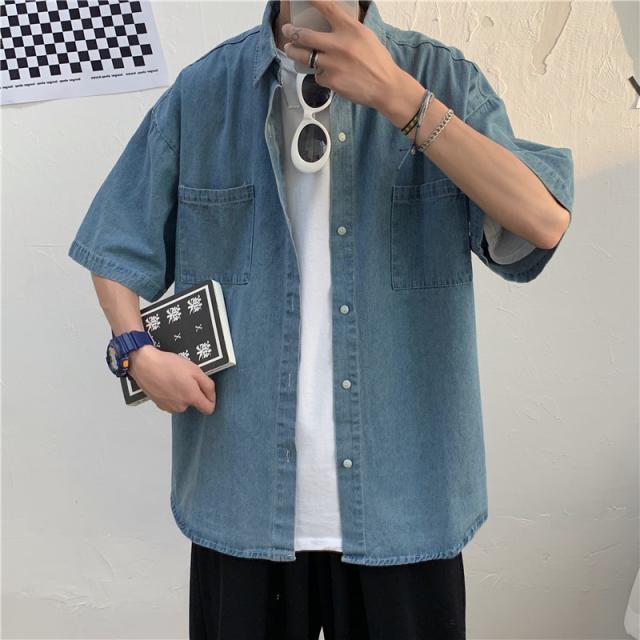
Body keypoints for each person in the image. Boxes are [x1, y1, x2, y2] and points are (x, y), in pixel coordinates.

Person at [67, 1, 574, 638]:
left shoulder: (439, 78)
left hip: (406, 502)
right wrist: (136, 350)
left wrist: (397, 97)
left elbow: (543, 222)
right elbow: (115, 243)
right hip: (243, 497)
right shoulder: (205, 93)